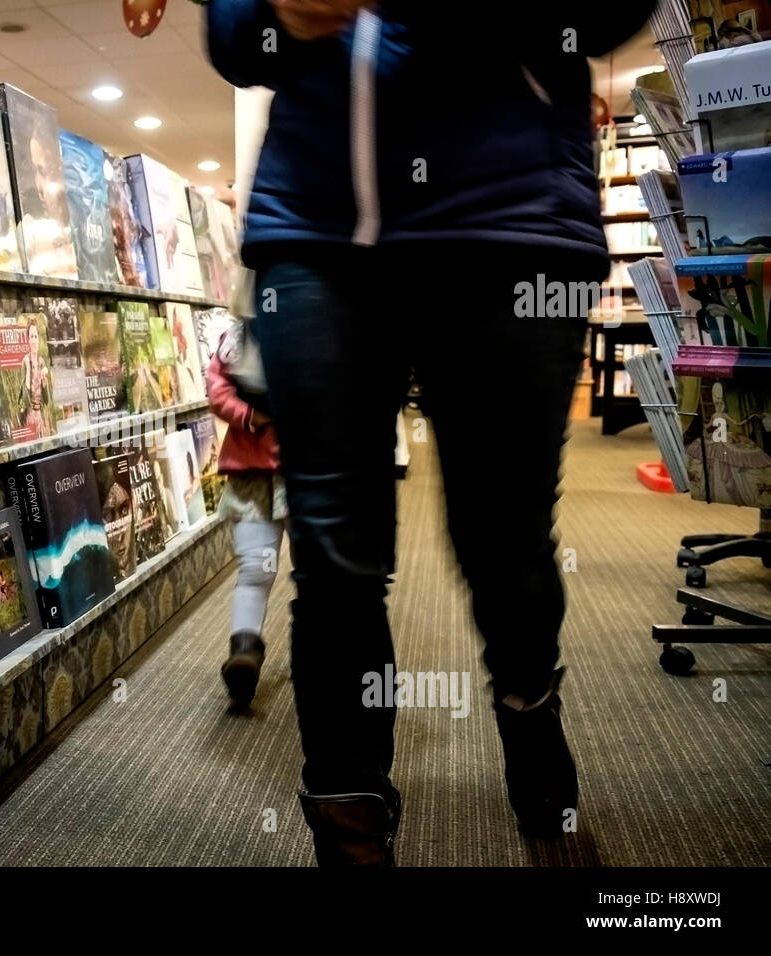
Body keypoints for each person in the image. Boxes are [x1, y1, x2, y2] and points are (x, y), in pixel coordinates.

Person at [205, 0, 657, 865]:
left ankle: (540, 776)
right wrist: (278, 15)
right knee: (335, 557)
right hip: (317, 231)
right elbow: (235, 40)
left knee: (507, 546)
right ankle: (348, 832)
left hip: (511, 224)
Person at [206, 321, 286, 706]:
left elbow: (217, 388)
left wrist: (247, 415)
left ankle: (245, 649)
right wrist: (253, 416)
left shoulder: (238, 335)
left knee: (255, 570)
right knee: (307, 572)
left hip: (253, 469)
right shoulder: (312, 315)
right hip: (299, 469)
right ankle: (249, 655)